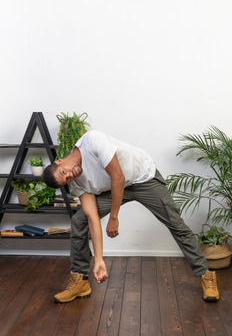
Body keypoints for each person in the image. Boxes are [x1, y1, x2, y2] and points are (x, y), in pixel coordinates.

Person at [43, 130, 219, 303]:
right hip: (116, 188)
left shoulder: (91, 141)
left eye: (63, 173)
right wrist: (99, 260)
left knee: (175, 223)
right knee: (79, 220)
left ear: (59, 161)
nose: (69, 176)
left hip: (143, 180)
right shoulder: (76, 183)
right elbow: (92, 218)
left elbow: (118, 177)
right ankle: (80, 281)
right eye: (65, 180)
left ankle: (206, 275)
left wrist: (113, 218)